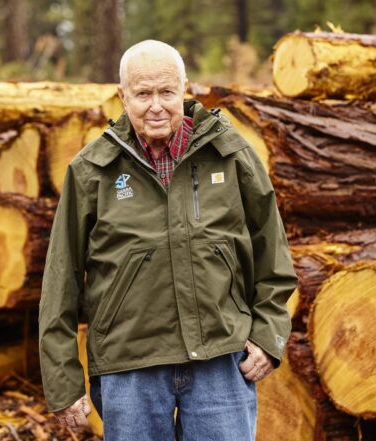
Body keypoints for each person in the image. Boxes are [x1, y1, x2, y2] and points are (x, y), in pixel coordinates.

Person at [38, 39, 298, 441]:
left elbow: (273, 256)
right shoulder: (92, 170)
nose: (156, 106)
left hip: (220, 361)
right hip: (129, 366)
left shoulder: (231, 155)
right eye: (143, 94)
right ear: (123, 96)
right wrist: (62, 379)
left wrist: (268, 336)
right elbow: (60, 280)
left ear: (185, 89)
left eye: (166, 92)